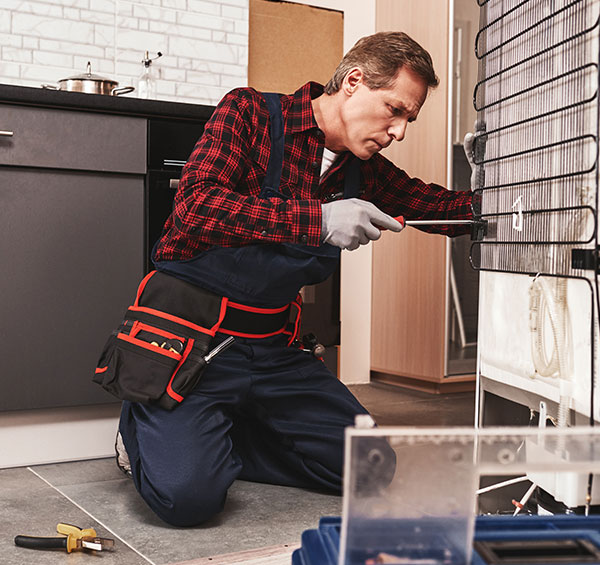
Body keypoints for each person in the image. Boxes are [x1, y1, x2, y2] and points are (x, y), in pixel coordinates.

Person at [116, 31, 475, 527]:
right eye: (394, 110)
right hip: (191, 341)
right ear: (353, 81)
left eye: (408, 119)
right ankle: (149, 427)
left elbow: (442, 209)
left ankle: (217, 437)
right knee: (188, 499)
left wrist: (499, 179)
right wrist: (319, 220)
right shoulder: (250, 114)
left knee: (372, 468)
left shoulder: (363, 171)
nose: (399, 132)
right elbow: (197, 208)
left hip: (272, 352)